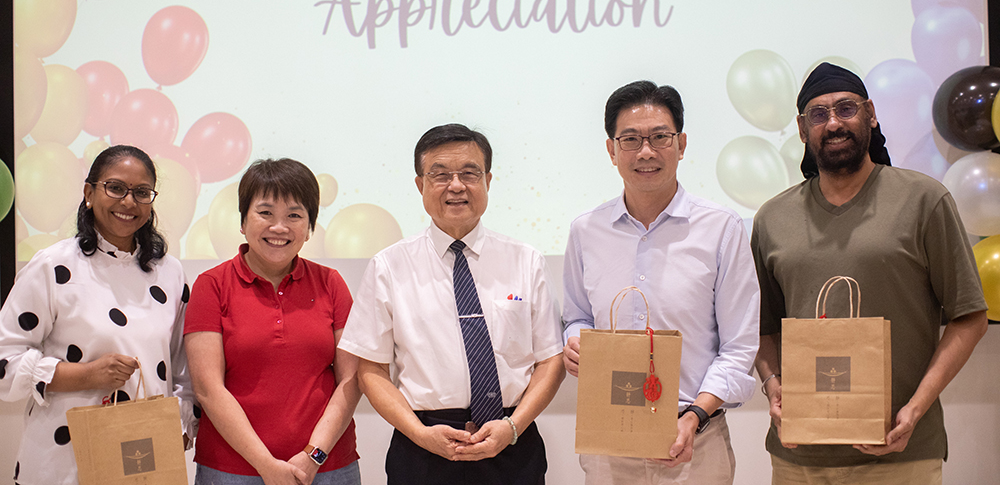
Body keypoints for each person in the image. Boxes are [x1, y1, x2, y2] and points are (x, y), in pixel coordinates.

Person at [753, 62, 989, 485]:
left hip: (901, 454)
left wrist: (915, 410)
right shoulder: (772, 218)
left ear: (871, 114)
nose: (833, 123)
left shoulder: (924, 200)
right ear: (802, 129)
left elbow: (969, 317)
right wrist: (772, 383)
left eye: (846, 108)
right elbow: (762, 327)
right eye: (818, 114)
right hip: (799, 458)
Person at [339, 123, 565, 485]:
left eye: (469, 174)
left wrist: (513, 426)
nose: (456, 186)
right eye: (440, 175)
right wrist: (419, 433)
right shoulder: (389, 266)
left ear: (488, 181)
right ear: (420, 185)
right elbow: (371, 369)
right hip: (422, 448)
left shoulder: (527, 261)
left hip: (512, 441)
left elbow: (551, 360)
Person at [562, 80, 760, 485]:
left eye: (660, 137)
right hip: (609, 441)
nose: (646, 151)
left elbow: (739, 346)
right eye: (631, 139)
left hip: (694, 441)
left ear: (681, 144)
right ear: (611, 150)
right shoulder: (586, 230)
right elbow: (576, 315)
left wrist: (695, 416)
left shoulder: (720, 228)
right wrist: (576, 341)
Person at [0, 144, 196, 485]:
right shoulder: (53, 266)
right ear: (89, 194)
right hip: (61, 460)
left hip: (143, 460)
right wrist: (86, 375)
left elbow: (184, 370)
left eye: (142, 192)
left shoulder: (170, 272)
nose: (129, 202)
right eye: (115, 188)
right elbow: (5, 360)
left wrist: (180, 425)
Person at [185, 158, 361, 485]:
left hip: (327, 468)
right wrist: (266, 465)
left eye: (294, 215)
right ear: (242, 221)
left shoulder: (331, 283)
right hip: (231, 471)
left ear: (309, 227)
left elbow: (350, 381)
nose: (279, 227)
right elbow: (208, 389)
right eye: (265, 212)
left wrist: (313, 455)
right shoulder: (211, 286)